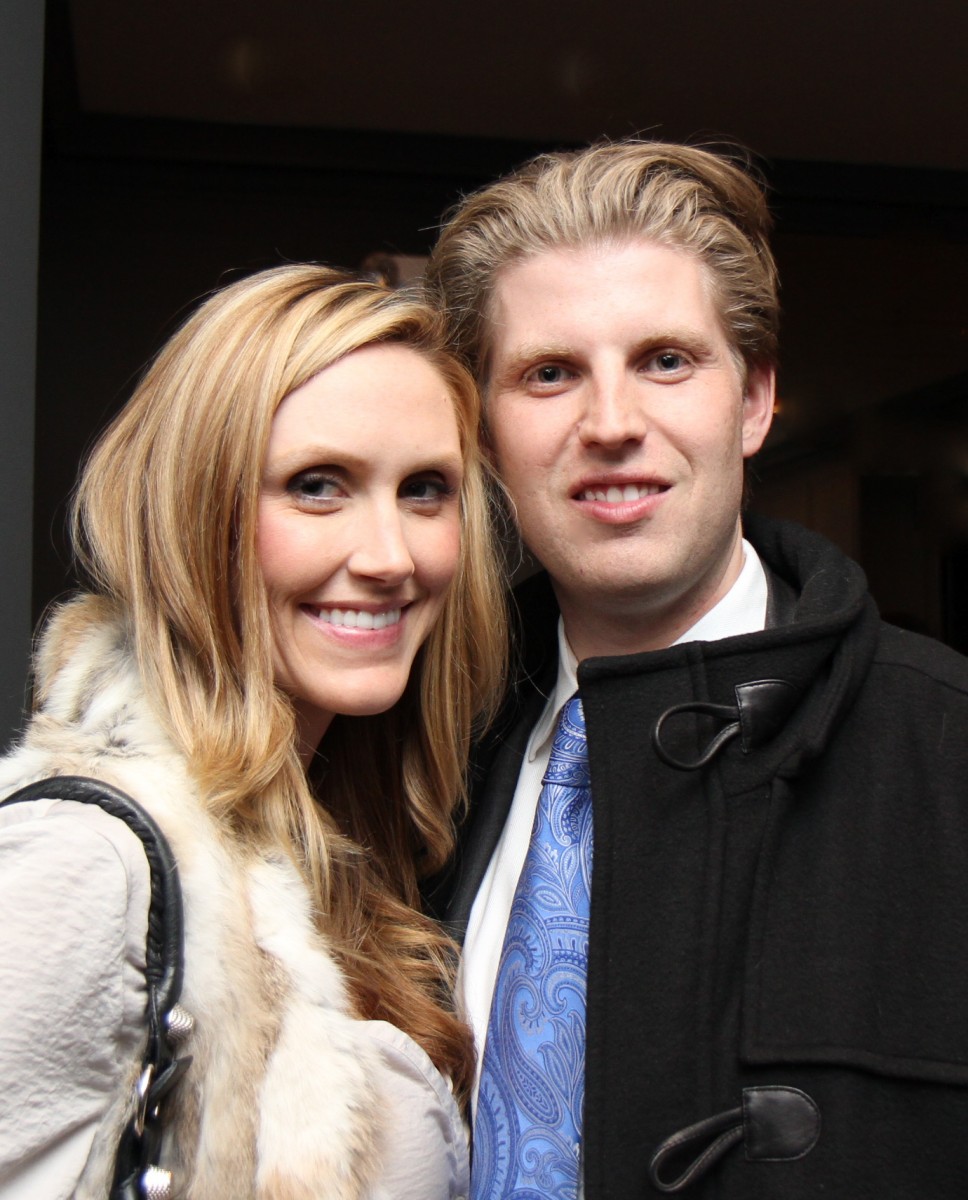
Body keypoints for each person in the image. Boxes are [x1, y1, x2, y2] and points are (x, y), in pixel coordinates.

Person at [424, 141, 968, 1198]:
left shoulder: (946, 754)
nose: (611, 424)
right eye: (548, 373)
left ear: (754, 400)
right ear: (485, 437)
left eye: (665, 360)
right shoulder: (411, 761)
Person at [0, 264, 506, 1200]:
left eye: (426, 490)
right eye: (317, 486)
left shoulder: (345, 850)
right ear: (199, 512)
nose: (391, 556)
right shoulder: (88, 864)